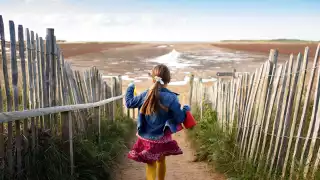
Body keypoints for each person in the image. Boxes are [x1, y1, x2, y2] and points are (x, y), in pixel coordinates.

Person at [125, 64, 190, 180]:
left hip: (146, 138)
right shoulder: (171, 98)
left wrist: (130, 87)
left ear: (152, 79)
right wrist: (185, 110)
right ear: (168, 80)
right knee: (161, 160)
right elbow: (180, 119)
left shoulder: (146, 94)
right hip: (162, 138)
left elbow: (129, 103)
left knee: (150, 163)